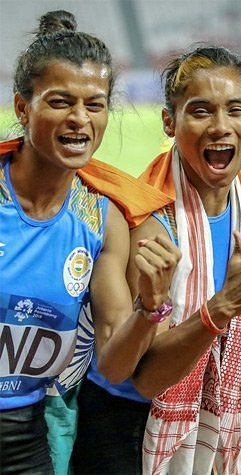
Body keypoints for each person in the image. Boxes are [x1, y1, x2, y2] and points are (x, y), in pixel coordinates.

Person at [73, 45, 241, 475]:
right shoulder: (152, 227)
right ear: (169, 122)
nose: (220, 127)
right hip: (130, 425)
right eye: (201, 111)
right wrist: (225, 307)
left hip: (202, 416)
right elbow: (148, 377)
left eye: (235, 109)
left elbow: (215, 288)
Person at [0, 10, 179, 474]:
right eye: (60, 102)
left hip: (25, 435)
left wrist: (150, 308)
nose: (80, 119)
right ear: (24, 108)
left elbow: (115, 364)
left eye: (94, 104)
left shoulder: (103, 219)